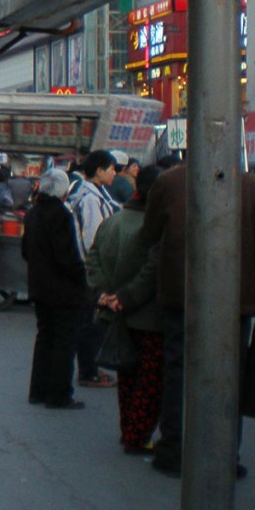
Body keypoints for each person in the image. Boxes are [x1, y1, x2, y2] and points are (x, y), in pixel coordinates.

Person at [138, 163, 255, 478]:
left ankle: (175, 447)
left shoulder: (169, 182)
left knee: (178, 371)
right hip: (237, 296)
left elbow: (148, 233)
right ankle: (226, 453)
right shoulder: (249, 184)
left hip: (182, 292)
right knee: (232, 373)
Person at [86, 165, 163, 453]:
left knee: (128, 377)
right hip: (147, 314)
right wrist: (123, 296)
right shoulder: (152, 230)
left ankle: (129, 430)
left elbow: (92, 260)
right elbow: (150, 272)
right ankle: (137, 435)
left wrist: (105, 294)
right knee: (150, 379)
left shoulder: (113, 222)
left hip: (117, 312)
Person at [22, 169, 88, 410]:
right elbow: (67, 256)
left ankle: (38, 390)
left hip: (39, 286)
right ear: (62, 190)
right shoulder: (60, 214)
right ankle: (58, 394)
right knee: (64, 341)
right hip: (63, 289)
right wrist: (82, 279)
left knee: (45, 337)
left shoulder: (32, 214)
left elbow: (25, 251)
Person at [67, 149, 121, 389]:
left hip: (91, 268)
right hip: (91, 270)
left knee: (90, 321)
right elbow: (93, 238)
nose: (114, 173)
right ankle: (89, 371)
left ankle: (90, 369)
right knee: (91, 322)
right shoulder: (90, 199)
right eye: (111, 168)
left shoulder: (96, 194)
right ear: (99, 171)